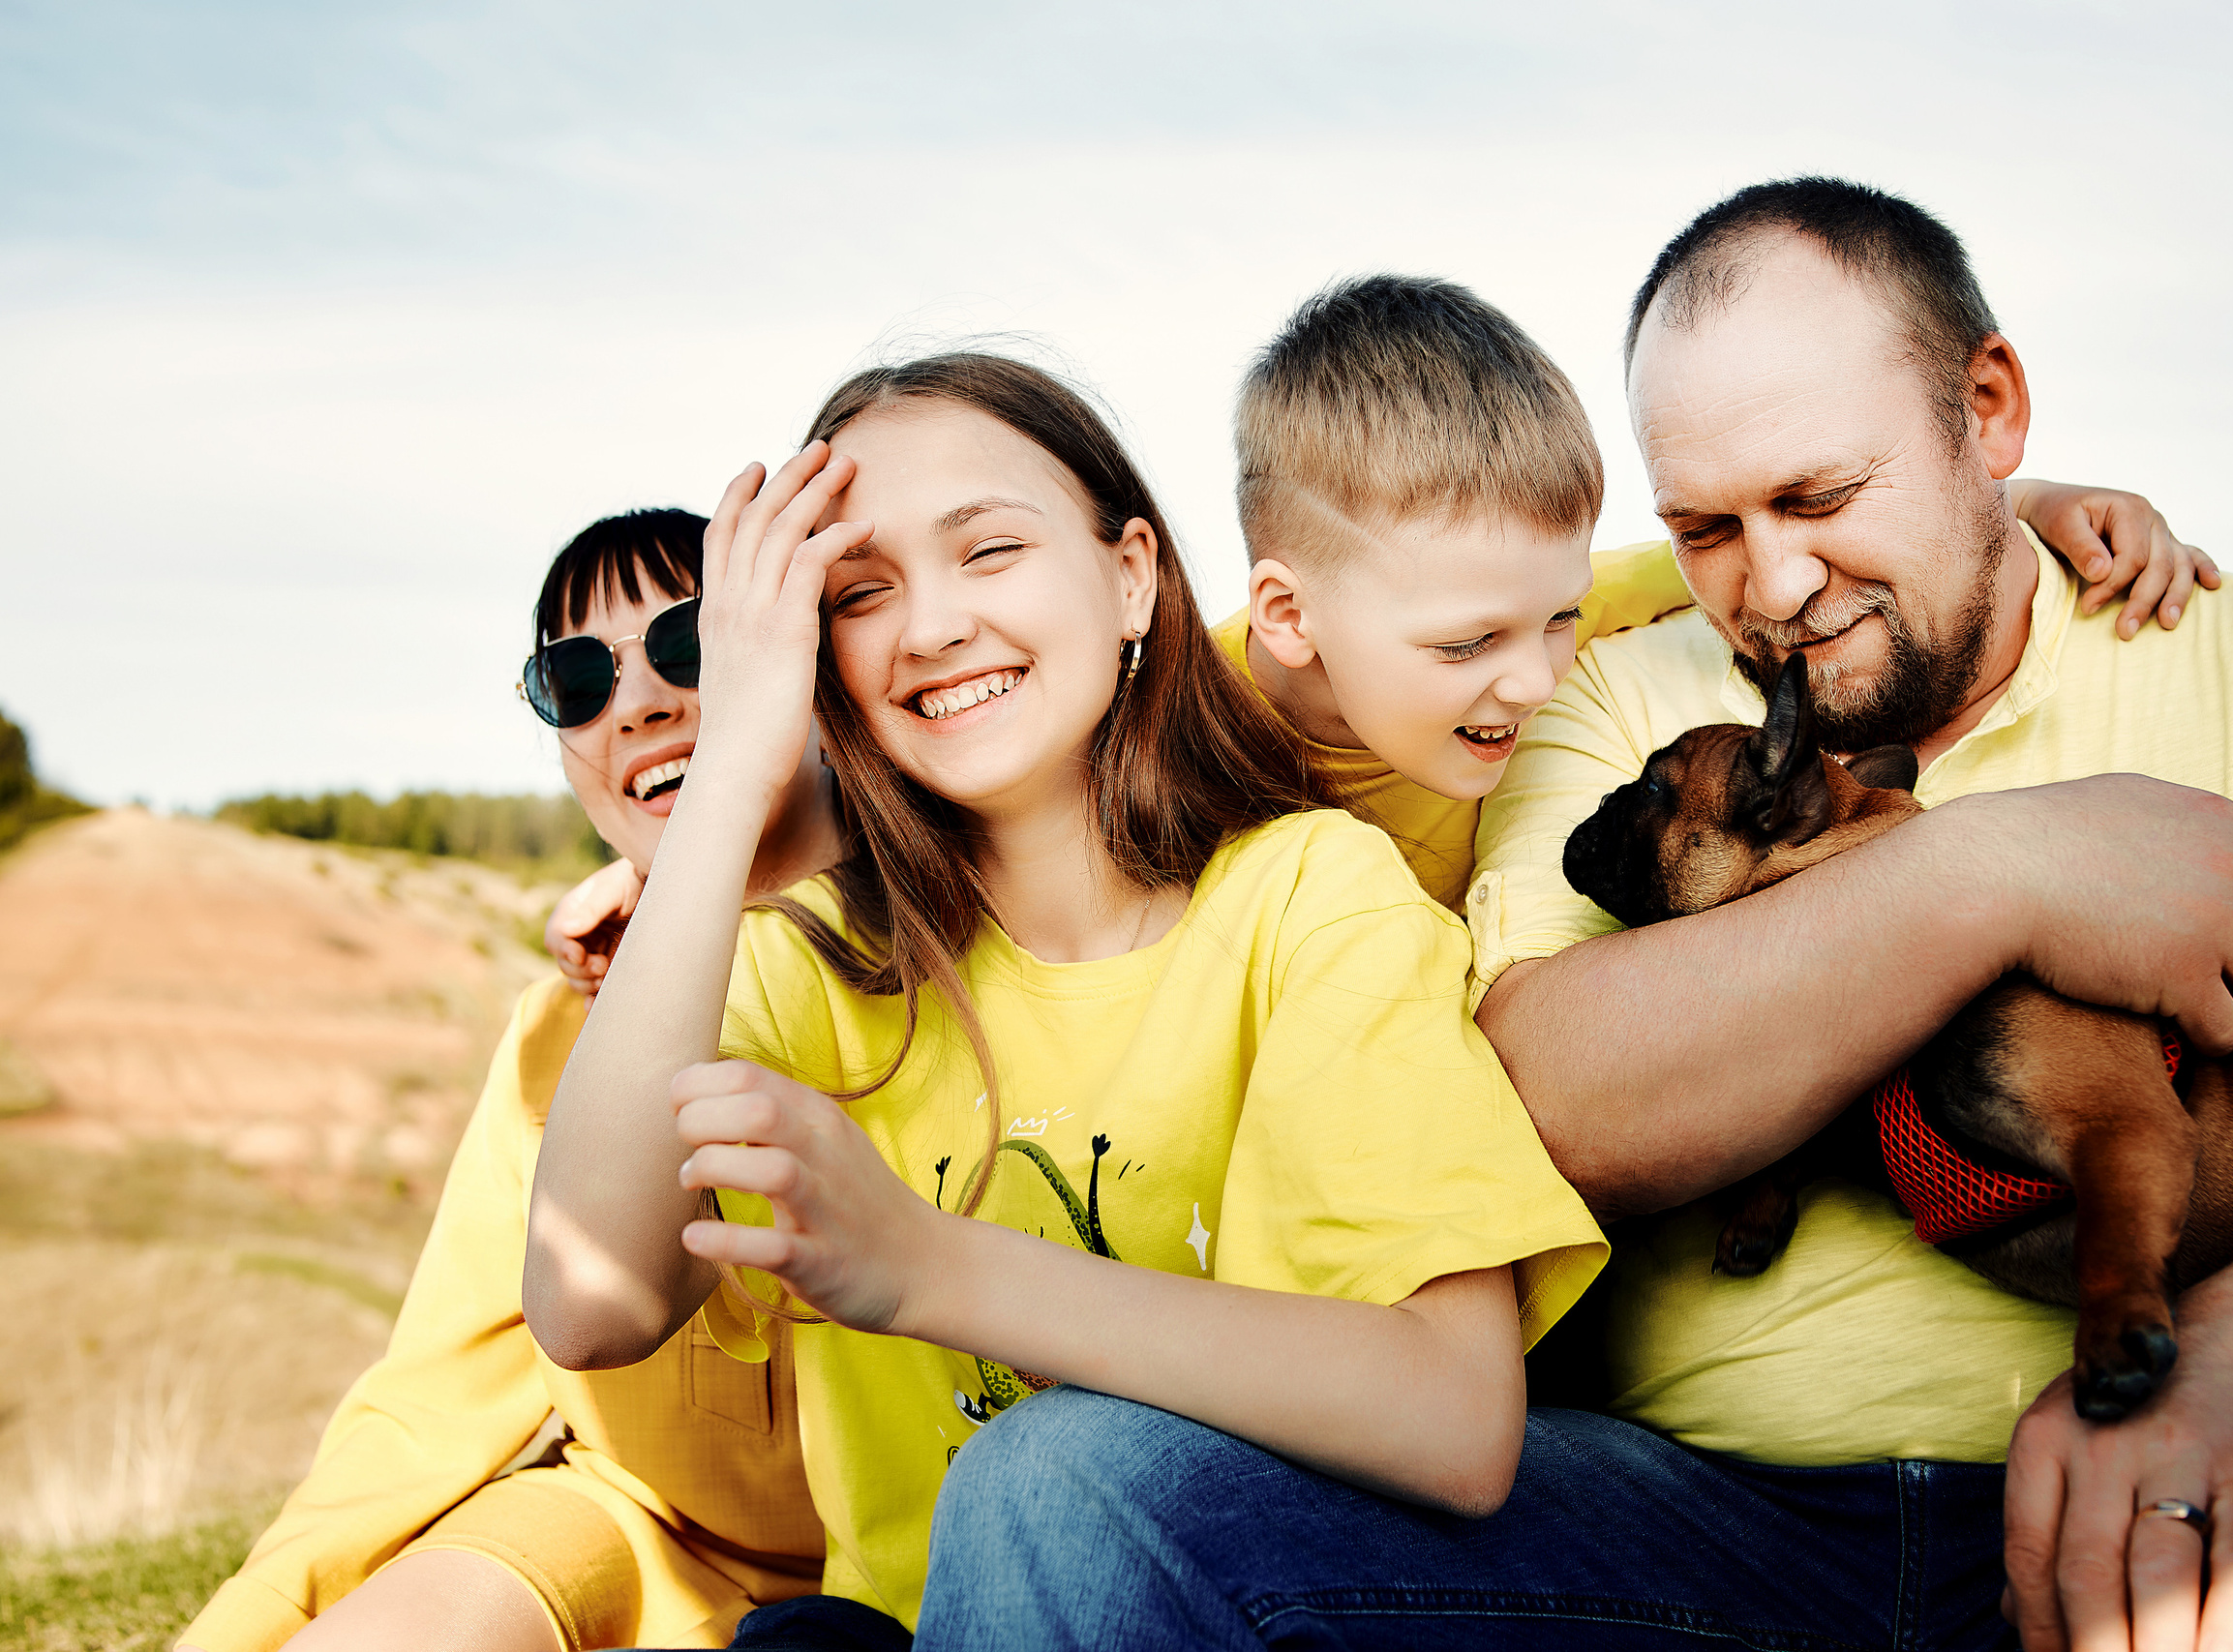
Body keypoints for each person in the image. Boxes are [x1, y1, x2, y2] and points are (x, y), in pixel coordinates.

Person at [912, 183, 2233, 1651]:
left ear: (1990, 410)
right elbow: (1546, 1095)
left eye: (1823, 494)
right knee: (1069, 1490)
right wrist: (1998, 869)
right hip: (1690, 1535)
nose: (1775, 584)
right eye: (1711, 529)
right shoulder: (1598, 690)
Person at [519, 353, 1609, 1647]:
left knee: (1054, 1479)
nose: (930, 627)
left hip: (1234, 1604)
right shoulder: (807, 964)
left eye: (988, 550)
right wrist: (739, 757)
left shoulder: (1306, 895)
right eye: (861, 593)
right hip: (916, 1622)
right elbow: (591, 1301)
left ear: (1132, 573)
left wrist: (930, 1267)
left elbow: (1456, 1418)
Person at [179, 510, 844, 1652]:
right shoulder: (553, 1040)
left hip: (915, 1548)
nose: (634, 703)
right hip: (636, 1529)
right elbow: (431, 1399)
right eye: (576, 678)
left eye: (690, 645)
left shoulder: (961, 937)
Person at [1216, 273, 2216, 912]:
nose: (1534, 680)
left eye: (1562, 616)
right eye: (1466, 645)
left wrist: (2027, 496)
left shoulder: (1560, 606)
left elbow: (1769, 543)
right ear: (1290, 618)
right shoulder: (1166, 738)